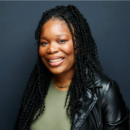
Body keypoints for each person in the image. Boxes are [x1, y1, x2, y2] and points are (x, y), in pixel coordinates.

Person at [14, 5, 129, 130]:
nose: (51, 49)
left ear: (80, 45)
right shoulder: (36, 88)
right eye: (44, 43)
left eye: (61, 40)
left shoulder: (104, 90)